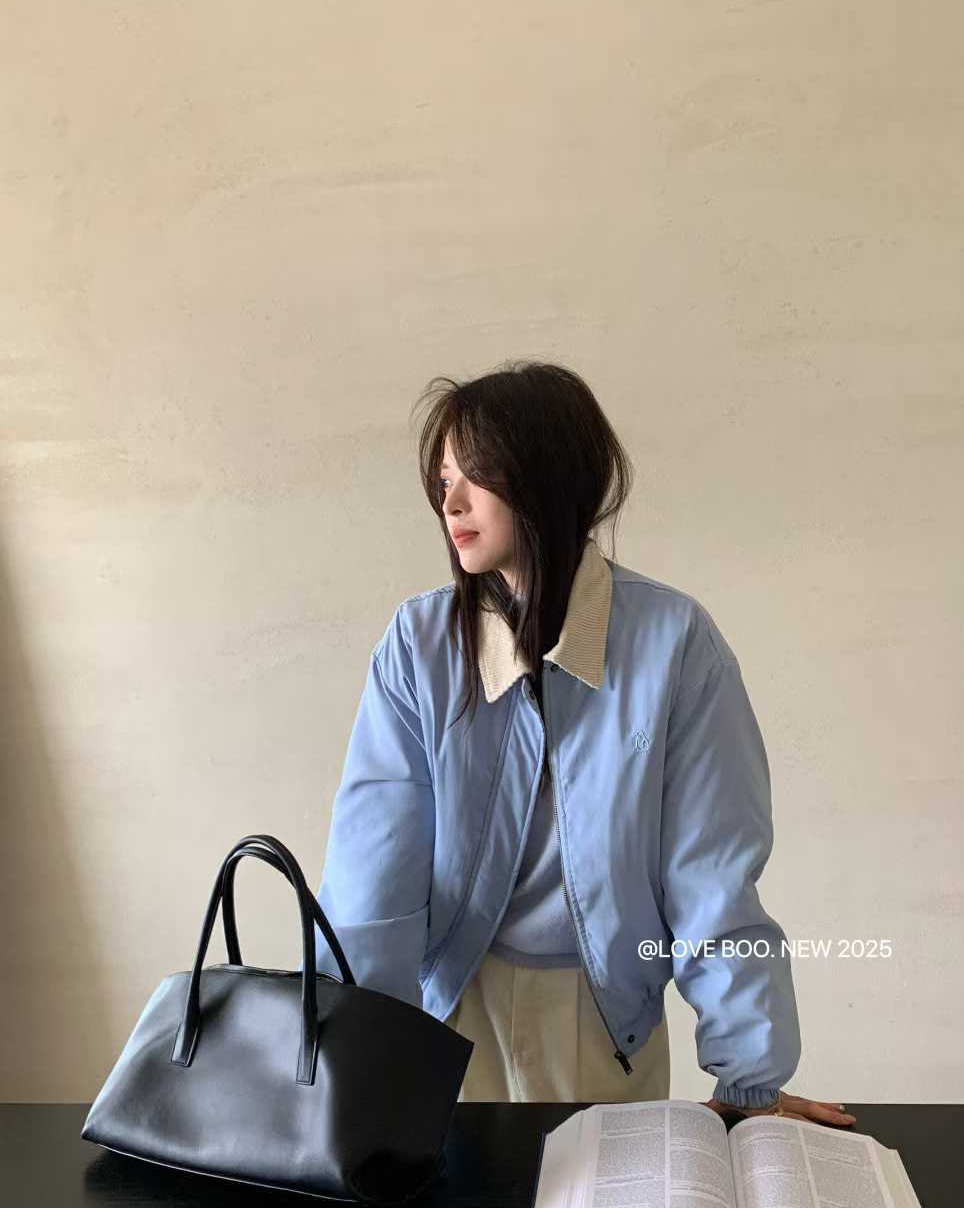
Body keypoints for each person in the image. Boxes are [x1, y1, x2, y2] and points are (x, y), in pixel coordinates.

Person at [315, 360, 855, 1131]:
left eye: (476, 476)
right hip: (450, 1015)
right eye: (442, 480)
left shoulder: (673, 643)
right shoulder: (420, 643)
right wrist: (358, 1056)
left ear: (547, 476)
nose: (451, 502)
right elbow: (375, 871)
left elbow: (711, 872)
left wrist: (750, 1081)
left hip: (606, 1025)